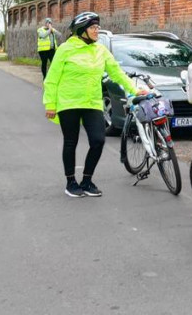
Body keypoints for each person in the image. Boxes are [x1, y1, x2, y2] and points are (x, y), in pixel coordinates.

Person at [43, 11, 142, 198]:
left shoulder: (100, 50)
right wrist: (50, 103)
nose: (97, 30)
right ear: (82, 30)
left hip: (92, 102)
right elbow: (52, 78)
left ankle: (87, 180)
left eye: (98, 27)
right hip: (68, 102)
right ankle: (71, 182)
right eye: (93, 27)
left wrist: (134, 91)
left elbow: (117, 73)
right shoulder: (65, 49)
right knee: (70, 142)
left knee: (98, 141)